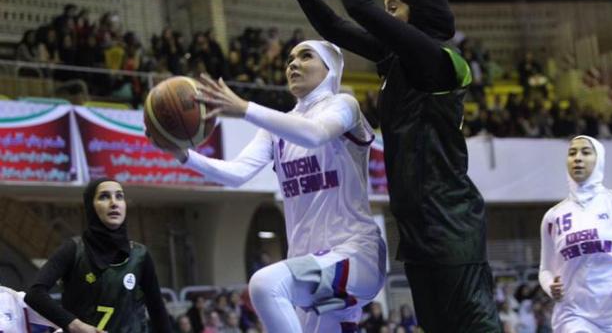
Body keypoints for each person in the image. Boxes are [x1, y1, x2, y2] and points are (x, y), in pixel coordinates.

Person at [279, 0, 500, 330]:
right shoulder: (398, 59)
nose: (387, 18)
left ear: (420, 11)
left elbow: (357, 7)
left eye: (394, 9)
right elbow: (335, 26)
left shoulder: (438, 59)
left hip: (450, 221)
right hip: (417, 226)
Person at [155, 40, 386, 332]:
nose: (293, 63)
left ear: (330, 69)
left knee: (265, 284)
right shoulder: (276, 128)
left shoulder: (345, 105)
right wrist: (185, 156)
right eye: (289, 58)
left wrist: (245, 108)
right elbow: (236, 173)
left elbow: (315, 134)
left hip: (355, 255)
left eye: (305, 56)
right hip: (310, 265)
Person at [25, 178, 172, 333]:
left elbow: (158, 312)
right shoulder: (73, 249)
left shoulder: (140, 255)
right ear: (91, 206)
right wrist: (75, 325)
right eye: (104, 196)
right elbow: (35, 294)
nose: (114, 203)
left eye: (119, 196)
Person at [538, 135, 612, 332]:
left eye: (585, 152)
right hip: (575, 315)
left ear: (599, 159)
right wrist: (550, 286)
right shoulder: (553, 217)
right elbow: (545, 269)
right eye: (572, 153)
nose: (577, 158)